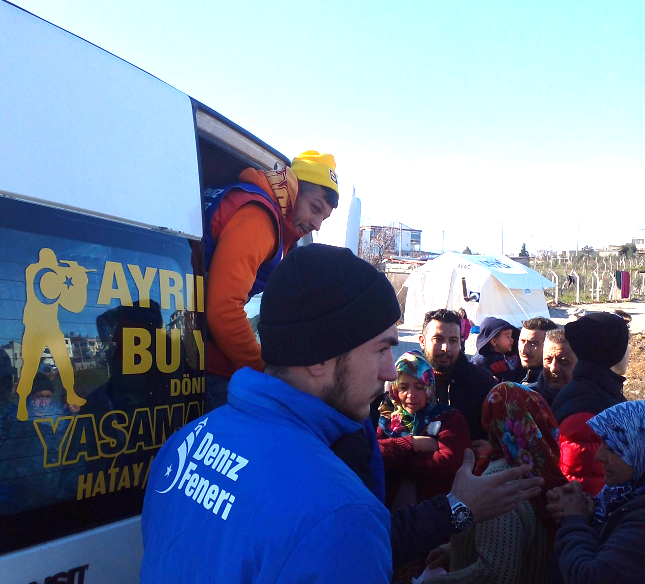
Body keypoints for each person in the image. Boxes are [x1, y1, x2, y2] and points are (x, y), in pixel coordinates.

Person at [140, 244, 545, 583]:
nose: (391, 373)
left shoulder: (184, 444)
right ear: (320, 356)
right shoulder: (336, 512)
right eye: (382, 349)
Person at [204, 151, 339, 410]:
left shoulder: (264, 212)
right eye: (315, 208)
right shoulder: (260, 219)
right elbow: (223, 310)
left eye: (324, 217)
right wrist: (265, 373)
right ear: (294, 188)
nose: (317, 224)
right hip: (210, 370)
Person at [425, 382, 567, 584]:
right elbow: (508, 542)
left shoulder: (500, 481)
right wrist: (452, 551)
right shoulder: (540, 468)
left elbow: (494, 573)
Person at [546, 400, 645, 584]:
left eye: (612, 449)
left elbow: (590, 577)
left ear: (640, 452)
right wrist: (585, 509)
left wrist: (574, 519)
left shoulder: (640, 521)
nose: (598, 456)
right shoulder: (620, 495)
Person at [377, 351, 470, 508]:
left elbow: (448, 466)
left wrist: (396, 457)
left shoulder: (449, 418)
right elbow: (374, 453)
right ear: (394, 389)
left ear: (430, 387)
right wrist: (414, 443)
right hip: (387, 514)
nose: (411, 395)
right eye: (403, 387)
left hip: (437, 514)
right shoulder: (387, 417)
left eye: (420, 387)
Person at [551, 312, 630, 495]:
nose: (630, 352)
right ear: (613, 351)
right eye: (626, 345)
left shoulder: (598, 390)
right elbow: (584, 487)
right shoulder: (586, 411)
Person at [419, 309, 496, 440]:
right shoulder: (404, 379)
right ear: (422, 341)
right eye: (438, 339)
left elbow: (500, 430)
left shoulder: (481, 381)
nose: (446, 348)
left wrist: (490, 446)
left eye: (453, 340)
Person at [527, 329, 578, 405]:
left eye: (563, 361)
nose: (553, 368)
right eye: (548, 360)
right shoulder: (526, 397)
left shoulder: (590, 400)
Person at [471, 317, 522, 383]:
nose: (512, 339)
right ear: (494, 341)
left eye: (511, 336)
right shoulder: (481, 361)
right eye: (507, 336)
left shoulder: (512, 356)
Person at [517, 317, 557, 384]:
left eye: (533, 344)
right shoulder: (512, 370)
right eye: (522, 341)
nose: (524, 350)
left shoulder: (553, 383)